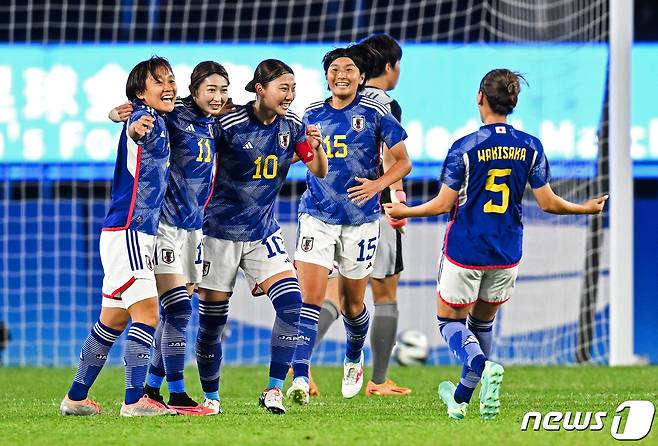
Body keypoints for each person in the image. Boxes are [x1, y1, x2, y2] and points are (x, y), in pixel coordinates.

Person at [384, 68, 608, 420]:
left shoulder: (465, 148)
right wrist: (585, 207)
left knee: (450, 323)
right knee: (482, 324)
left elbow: (443, 204)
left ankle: (479, 364)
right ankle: (461, 401)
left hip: (465, 250)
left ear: (480, 97)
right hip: (506, 251)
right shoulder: (531, 146)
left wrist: (405, 210)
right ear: (513, 102)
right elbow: (548, 203)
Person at [196, 59, 327, 415]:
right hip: (218, 234)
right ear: (260, 90)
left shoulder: (294, 127)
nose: (289, 95)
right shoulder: (229, 124)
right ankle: (211, 397)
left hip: (262, 232)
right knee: (211, 324)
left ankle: (273, 390)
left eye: (293, 89)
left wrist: (317, 146)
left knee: (291, 303)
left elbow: (318, 168)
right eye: (283, 88)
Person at [288, 44, 412, 404]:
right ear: (327, 77)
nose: (341, 75)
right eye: (334, 70)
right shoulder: (309, 114)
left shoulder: (376, 112)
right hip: (317, 216)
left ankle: (353, 357)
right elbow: (299, 157)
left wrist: (378, 185)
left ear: (360, 76)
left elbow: (403, 162)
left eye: (348, 70)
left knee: (352, 304)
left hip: (360, 221)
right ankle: (299, 375)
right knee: (309, 299)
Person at [109, 61, 232, 415]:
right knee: (176, 308)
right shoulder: (174, 113)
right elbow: (136, 112)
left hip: (193, 228)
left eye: (223, 90)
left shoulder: (221, 120)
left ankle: (151, 387)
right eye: (210, 89)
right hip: (163, 224)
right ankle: (176, 393)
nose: (218, 96)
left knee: (178, 311)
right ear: (192, 91)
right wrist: (120, 116)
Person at [60, 56, 178, 417]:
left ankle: (75, 399)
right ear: (140, 93)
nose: (169, 85)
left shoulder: (159, 117)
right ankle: (134, 401)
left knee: (112, 320)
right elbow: (134, 127)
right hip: (129, 231)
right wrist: (130, 123)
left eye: (171, 79)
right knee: (147, 313)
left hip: (125, 234)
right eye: (159, 81)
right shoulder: (145, 119)